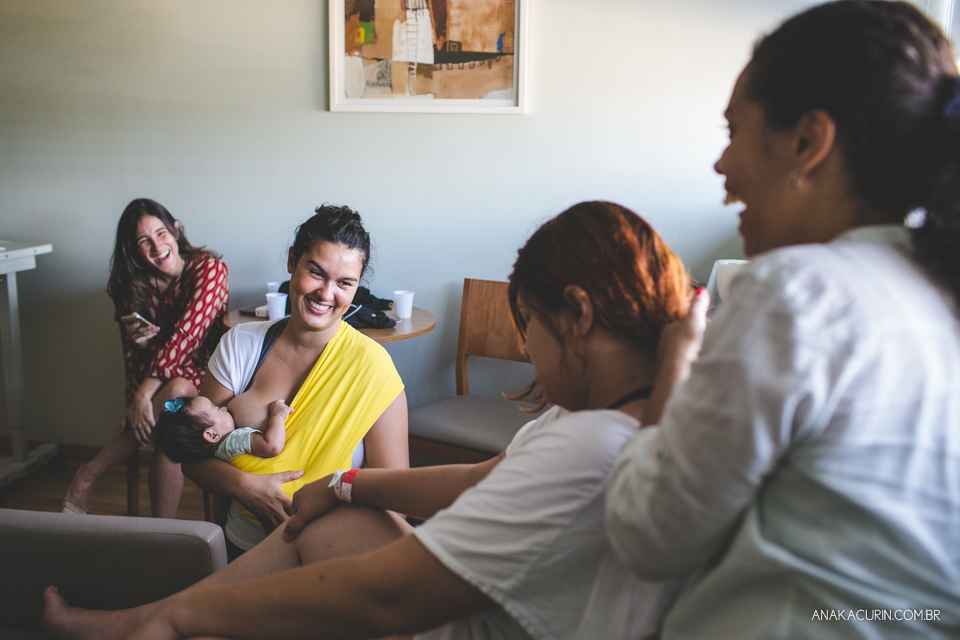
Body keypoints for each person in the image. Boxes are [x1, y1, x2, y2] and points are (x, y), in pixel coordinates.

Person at [42, 201, 698, 640]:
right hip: (273, 524)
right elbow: (476, 480)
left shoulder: (589, 444)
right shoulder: (615, 425)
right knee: (338, 512)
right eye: (313, 272)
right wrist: (342, 486)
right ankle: (155, 616)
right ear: (293, 269)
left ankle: (164, 619)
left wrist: (186, 614)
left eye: (530, 330)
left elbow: (385, 595)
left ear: (578, 317)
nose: (527, 352)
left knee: (313, 537)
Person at [605, 2, 960, 638]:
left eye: (733, 131)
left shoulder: (797, 291)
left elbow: (648, 536)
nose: (721, 166)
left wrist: (672, 371)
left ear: (807, 142)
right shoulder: (938, 289)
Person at [182, 204, 409, 558]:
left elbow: (394, 497)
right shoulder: (242, 346)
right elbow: (192, 455)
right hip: (240, 545)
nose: (326, 293)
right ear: (292, 262)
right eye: (316, 273)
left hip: (327, 555)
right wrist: (245, 486)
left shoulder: (374, 369)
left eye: (344, 283)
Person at [61, 198, 229, 518]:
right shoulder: (132, 285)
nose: (156, 246)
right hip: (155, 397)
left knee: (178, 390)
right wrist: (139, 358)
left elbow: (187, 337)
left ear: (176, 231)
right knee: (171, 407)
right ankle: (162, 532)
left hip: (204, 381)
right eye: (143, 240)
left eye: (161, 233)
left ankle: (90, 473)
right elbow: (131, 363)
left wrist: (145, 393)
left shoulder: (210, 270)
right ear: (133, 249)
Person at [152, 396, 291, 464]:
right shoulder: (235, 440)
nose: (224, 408)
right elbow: (272, 446)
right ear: (212, 435)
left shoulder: (218, 457)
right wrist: (277, 415)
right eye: (217, 409)